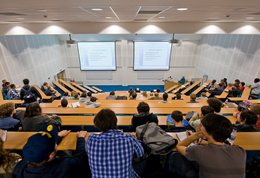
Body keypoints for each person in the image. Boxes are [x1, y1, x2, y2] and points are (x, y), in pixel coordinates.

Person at [175, 114, 246, 178]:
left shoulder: (198, 150)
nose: (199, 127)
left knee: (175, 156)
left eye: (201, 126)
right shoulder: (240, 151)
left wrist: (195, 136)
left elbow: (179, 146)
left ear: (206, 131)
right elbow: (220, 146)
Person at [13, 125, 90, 178]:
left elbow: (42, 146)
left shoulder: (20, 168)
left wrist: (58, 137)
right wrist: (81, 138)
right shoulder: (66, 166)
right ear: (51, 155)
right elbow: (81, 156)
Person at [86, 109, 144, 178]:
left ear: (97, 124)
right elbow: (141, 153)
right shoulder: (129, 138)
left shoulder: (91, 139)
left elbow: (87, 151)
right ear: (115, 121)